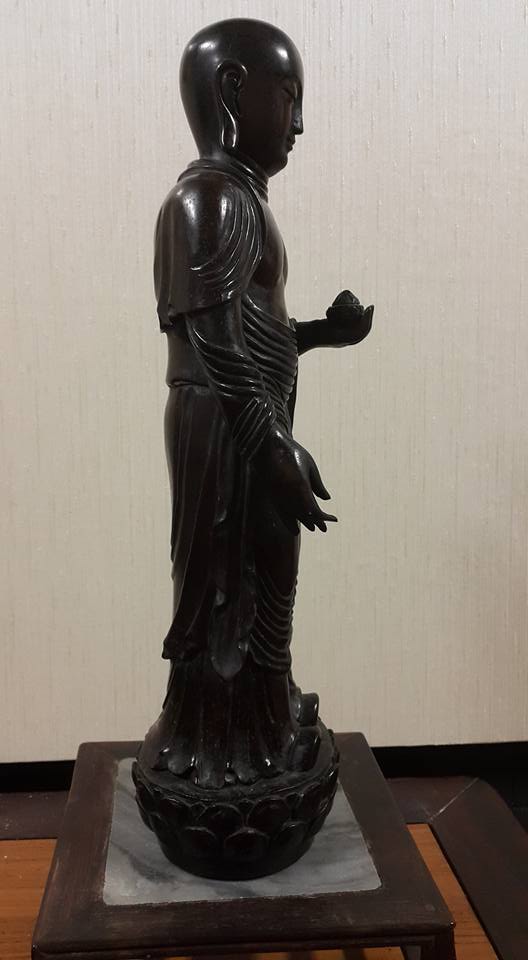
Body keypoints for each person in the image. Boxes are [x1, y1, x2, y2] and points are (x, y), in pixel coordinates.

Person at [138, 19, 373, 793]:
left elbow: (252, 332)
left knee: (267, 567)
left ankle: (264, 715)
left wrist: (323, 334)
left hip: (244, 418)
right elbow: (214, 342)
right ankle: (218, 746)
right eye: (291, 98)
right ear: (235, 91)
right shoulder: (205, 198)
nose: (300, 123)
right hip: (221, 427)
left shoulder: (239, 198)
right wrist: (271, 442)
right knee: (223, 589)